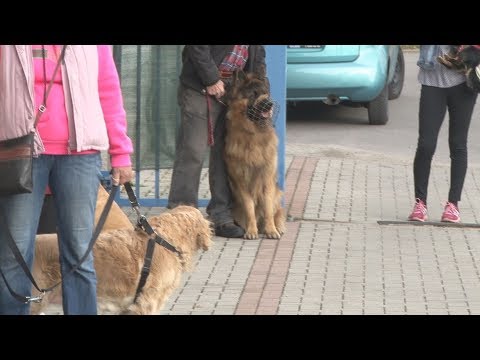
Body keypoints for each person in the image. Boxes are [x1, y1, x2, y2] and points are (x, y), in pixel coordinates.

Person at [0, 45, 134, 315]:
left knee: (80, 255)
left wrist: (121, 152)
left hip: (80, 155)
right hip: (20, 152)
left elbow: (108, 89)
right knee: (12, 256)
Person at [167, 45, 268, 238]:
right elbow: (197, 49)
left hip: (236, 90)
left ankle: (221, 215)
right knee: (193, 151)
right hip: (201, 87)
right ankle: (181, 215)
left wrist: (263, 99)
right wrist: (211, 79)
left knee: (226, 154)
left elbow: (259, 64)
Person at [408, 45, 478, 223]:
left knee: (458, 144)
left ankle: (453, 205)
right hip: (431, 81)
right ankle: (420, 203)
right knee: (426, 144)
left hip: (463, 81)